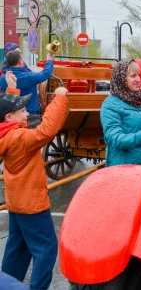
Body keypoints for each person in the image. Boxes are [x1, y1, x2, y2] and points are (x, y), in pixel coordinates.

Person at [0, 70, 69, 290]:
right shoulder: (19, 138)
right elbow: (46, 131)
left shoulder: (7, 133)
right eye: (22, 110)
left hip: (17, 202)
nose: (27, 113)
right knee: (46, 249)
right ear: (10, 117)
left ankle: (7, 285)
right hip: (31, 205)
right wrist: (59, 97)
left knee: (17, 249)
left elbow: (8, 114)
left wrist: (12, 91)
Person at [100, 60, 141, 170]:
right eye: (133, 76)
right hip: (126, 169)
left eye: (138, 75)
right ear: (121, 79)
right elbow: (115, 139)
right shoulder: (110, 105)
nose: (138, 79)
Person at [0, 50, 54, 115]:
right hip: (30, 115)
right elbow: (46, 73)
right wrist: (49, 60)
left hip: (13, 115)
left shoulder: (3, 78)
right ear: (20, 61)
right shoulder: (28, 77)